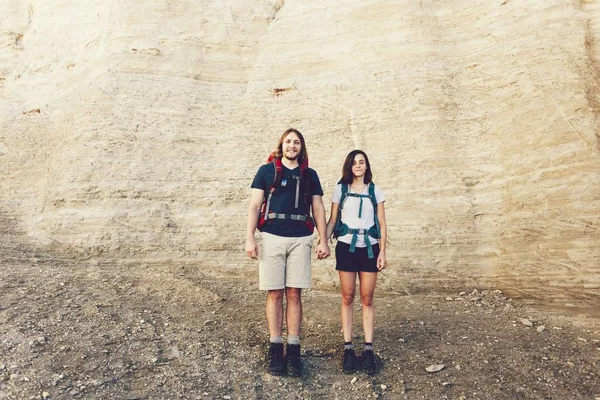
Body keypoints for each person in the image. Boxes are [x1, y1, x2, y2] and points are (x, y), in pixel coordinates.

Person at [245, 128, 330, 377]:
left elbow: (318, 208)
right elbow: (254, 205)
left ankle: (293, 349)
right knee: (275, 293)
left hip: (301, 239)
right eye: (288, 142)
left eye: (297, 142)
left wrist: (323, 240)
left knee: (294, 293)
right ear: (281, 145)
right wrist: (250, 237)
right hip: (271, 237)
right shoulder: (265, 171)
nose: (292, 146)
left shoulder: (309, 175)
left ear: (301, 148)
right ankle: (275, 347)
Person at [325, 149, 387, 375]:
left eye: (362, 162)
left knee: (368, 297)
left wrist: (383, 252)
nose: (358, 166)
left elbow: (382, 223)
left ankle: (368, 349)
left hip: (370, 247)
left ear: (367, 166)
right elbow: (333, 219)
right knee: (348, 296)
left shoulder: (375, 191)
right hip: (346, 246)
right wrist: (323, 240)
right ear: (349, 166)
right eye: (354, 162)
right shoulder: (340, 189)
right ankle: (348, 348)